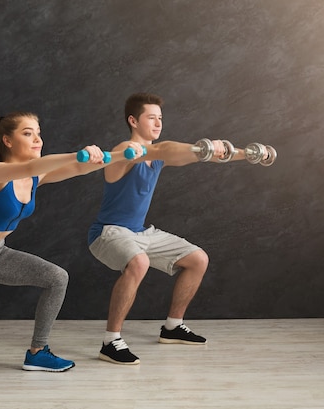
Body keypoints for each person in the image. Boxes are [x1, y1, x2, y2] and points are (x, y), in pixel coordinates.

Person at [0, 111, 144, 393]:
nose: (37, 139)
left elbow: (80, 168)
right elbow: (41, 166)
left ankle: (37, 352)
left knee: (57, 277)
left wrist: (120, 156)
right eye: (27, 133)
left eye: (38, 132)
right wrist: (76, 154)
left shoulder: (34, 175)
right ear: (7, 140)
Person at [88, 93, 250, 365]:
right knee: (139, 262)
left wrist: (244, 154)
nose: (158, 123)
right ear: (133, 120)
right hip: (108, 232)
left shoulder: (159, 156)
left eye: (160, 118)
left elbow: (198, 156)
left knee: (198, 259)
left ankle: (173, 327)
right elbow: (165, 148)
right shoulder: (124, 151)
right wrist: (203, 146)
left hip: (141, 232)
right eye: (151, 117)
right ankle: (110, 341)